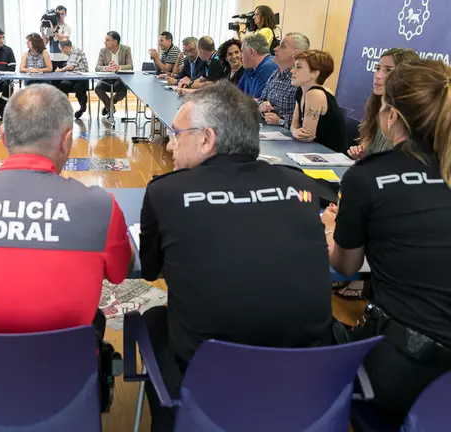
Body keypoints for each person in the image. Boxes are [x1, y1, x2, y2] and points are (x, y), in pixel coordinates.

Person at [140, 80, 333, 431]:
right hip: (305, 375)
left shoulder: (164, 193)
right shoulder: (301, 185)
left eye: (177, 134)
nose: (169, 144)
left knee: (154, 318)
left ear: (206, 139)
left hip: (209, 373)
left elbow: (151, 270)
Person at [0, 83, 133, 335]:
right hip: (64, 360)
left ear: (3, 136)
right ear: (66, 140)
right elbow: (119, 272)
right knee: (96, 320)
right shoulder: (101, 208)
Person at [323, 59, 451, 426]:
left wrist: (331, 229)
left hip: (404, 372)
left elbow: (346, 265)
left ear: (391, 115)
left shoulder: (367, 177)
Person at [348, 48, 419, 160]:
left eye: (388, 70)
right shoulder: (376, 105)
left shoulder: (412, 117)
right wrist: (363, 154)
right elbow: (370, 148)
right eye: (377, 68)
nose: (378, 75)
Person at [290, 50, 346, 152]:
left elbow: (307, 136)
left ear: (314, 73)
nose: (292, 71)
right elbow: (294, 125)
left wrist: (295, 131)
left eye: (298, 67)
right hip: (314, 149)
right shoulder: (300, 90)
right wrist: (294, 131)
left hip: (330, 153)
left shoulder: (315, 94)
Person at [258, 32, 310, 129]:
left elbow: (305, 121)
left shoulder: (301, 81)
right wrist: (262, 106)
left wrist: (280, 121)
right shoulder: (274, 75)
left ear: (296, 54)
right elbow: (261, 100)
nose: (275, 49)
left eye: (282, 46)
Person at [95, 31, 133, 117]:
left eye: (107, 40)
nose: (105, 42)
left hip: (120, 79)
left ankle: (108, 105)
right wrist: (106, 68)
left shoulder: (126, 49)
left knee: (122, 92)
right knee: (98, 88)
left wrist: (119, 67)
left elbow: (130, 66)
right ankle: (110, 108)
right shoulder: (103, 51)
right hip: (107, 79)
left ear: (115, 42)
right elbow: (97, 67)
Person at [237, 33, 278, 99]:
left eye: (242, 51)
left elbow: (257, 102)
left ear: (251, 52)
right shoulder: (250, 67)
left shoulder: (267, 69)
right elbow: (236, 93)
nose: (239, 56)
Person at [55, 40, 89, 119]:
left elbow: (71, 67)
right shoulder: (70, 54)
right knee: (63, 85)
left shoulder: (76, 51)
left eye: (61, 50)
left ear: (66, 48)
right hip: (72, 78)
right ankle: (65, 109)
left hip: (81, 77)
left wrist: (61, 70)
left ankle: (82, 107)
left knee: (78, 87)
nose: (62, 52)